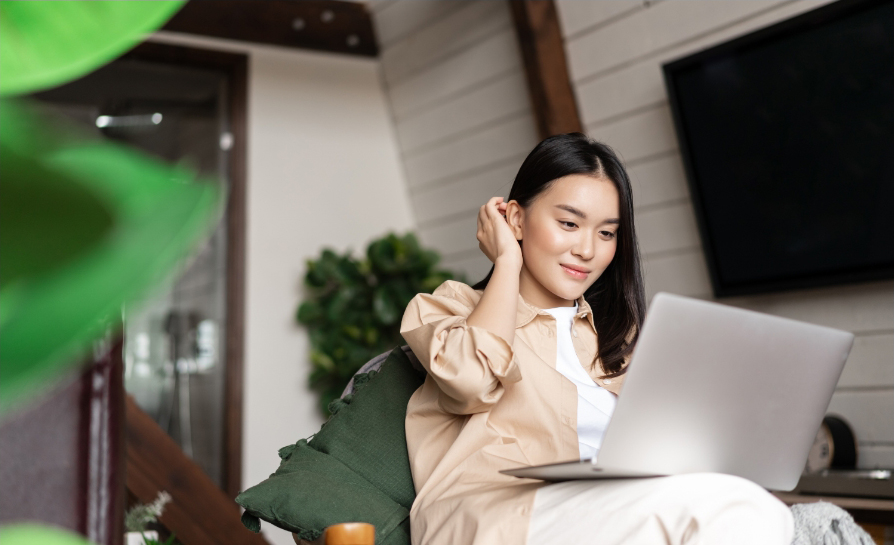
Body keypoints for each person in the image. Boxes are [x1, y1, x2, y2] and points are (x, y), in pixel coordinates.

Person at [398, 133, 794, 545]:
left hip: (616, 506)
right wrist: (506, 262)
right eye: (569, 223)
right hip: (498, 517)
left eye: (606, 233)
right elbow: (471, 384)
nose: (587, 249)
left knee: (757, 508)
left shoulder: (619, 336)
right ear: (515, 219)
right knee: (742, 509)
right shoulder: (449, 307)